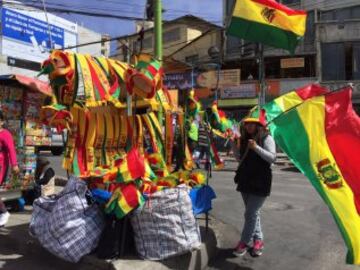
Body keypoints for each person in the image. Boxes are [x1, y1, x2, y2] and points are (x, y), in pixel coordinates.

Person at [232, 117, 276, 257]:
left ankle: (244, 242)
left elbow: (272, 158)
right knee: (253, 214)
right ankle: (258, 240)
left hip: (260, 180)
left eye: (252, 124)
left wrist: (256, 147)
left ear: (258, 125)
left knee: (250, 213)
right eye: (247, 124)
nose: (249, 126)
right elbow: (240, 158)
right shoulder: (244, 139)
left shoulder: (266, 138)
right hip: (245, 179)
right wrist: (234, 145)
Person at [0, 111, 19, 227]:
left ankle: (4, 212)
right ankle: (3, 212)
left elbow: (11, 150)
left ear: (1, 121)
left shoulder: (5, 134)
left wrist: (14, 164)